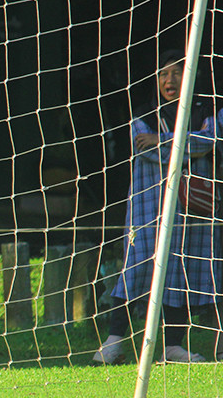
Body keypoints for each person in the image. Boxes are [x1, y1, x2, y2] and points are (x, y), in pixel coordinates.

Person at [94, 50, 220, 365]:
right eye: (164, 74)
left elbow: (211, 140)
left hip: (192, 209)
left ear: (193, 75)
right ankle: (112, 342)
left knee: (180, 269)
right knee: (136, 268)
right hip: (148, 210)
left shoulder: (209, 108)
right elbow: (153, 150)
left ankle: (173, 344)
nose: (170, 80)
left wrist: (163, 139)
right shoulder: (143, 115)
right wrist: (185, 143)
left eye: (177, 72)